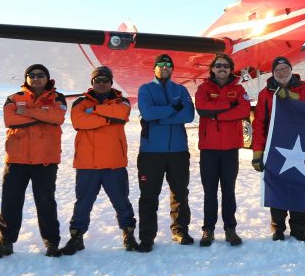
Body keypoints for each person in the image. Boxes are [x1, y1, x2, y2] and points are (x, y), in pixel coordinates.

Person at [0, 64, 65, 259]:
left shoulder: (57, 98)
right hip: (17, 158)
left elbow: (57, 117)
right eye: (32, 75)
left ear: (47, 78)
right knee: (11, 202)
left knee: (45, 202)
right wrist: (41, 116)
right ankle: (6, 241)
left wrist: (27, 112)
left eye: (40, 75)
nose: (36, 78)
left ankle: (52, 243)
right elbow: (10, 120)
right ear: (26, 78)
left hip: (45, 159)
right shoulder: (14, 98)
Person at [60, 66, 139, 255]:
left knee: (121, 201)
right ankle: (76, 236)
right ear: (92, 83)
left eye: (105, 80)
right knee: (83, 203)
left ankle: (128, 234)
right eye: (98, 80)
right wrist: (108, 119)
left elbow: (121, 114)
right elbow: (79, 122)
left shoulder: (123, 101)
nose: (101, 83)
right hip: (88, 164)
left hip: (114, 163)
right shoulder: (80, 102)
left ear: (111, 82)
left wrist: (94, 111)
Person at [250, 56, 305, 241]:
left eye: (285, 68)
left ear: (291, 69)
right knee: (277, 188)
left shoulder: (304, 88)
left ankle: (298, 228)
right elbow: (259, 124)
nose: (282, 72)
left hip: (300, 146)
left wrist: (292, 97)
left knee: (299, 189)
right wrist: (257, 153)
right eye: (278, 69)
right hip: (275, 148)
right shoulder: (265, 94)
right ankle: (278, 228)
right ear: (273, 72)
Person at [136, 54, 196, 251]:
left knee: (180, 193)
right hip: (151, 153)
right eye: (160, 65)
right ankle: (146, 237)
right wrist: (172, 109)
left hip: (178, 151)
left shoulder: (181, 90)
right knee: (149, 196)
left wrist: (162, 118)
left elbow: (188, 115)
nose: (164, 67)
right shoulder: (145, 89)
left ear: (172, 69)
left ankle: (180, 230)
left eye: (168, 65)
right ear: (154, 68)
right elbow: (148, 113)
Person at [193, 53, 250, 247]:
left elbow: (243, 110)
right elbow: (201, 108)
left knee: (229, 190)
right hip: (209, 149)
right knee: (210, 192)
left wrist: (217, 115)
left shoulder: (239, 89)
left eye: (226, 65)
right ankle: (208, 229)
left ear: (231, 68)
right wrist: (227, 105)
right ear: (213, 69)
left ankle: (230, 228)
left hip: (230, 149)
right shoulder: (203, 88)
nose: (222, 68)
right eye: (218, 66)